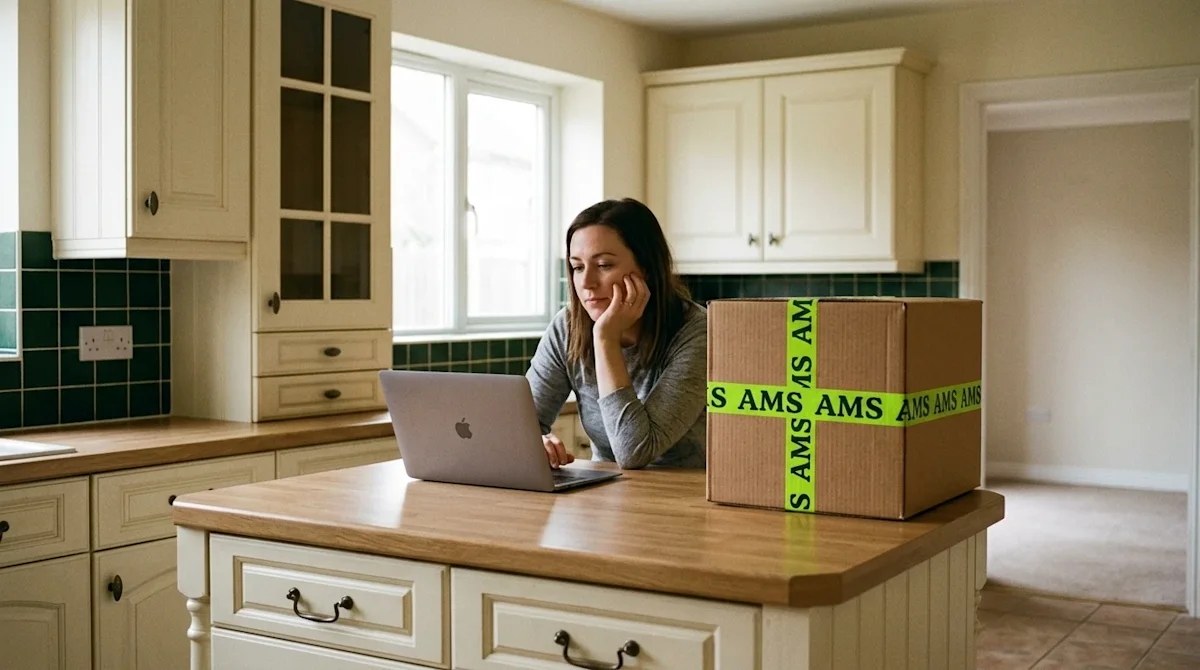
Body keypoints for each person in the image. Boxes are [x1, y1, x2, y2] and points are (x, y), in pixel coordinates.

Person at [526, 198, 707, 470]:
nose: (586, 283)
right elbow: (518, 426)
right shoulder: (567, 328)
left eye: (603, 265)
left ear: (645, 268)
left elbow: (635, 452)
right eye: (577, 267)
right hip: (605, 493)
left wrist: (605, 339)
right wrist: (533, 441)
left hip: (684, 498)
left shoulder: (697, 332)